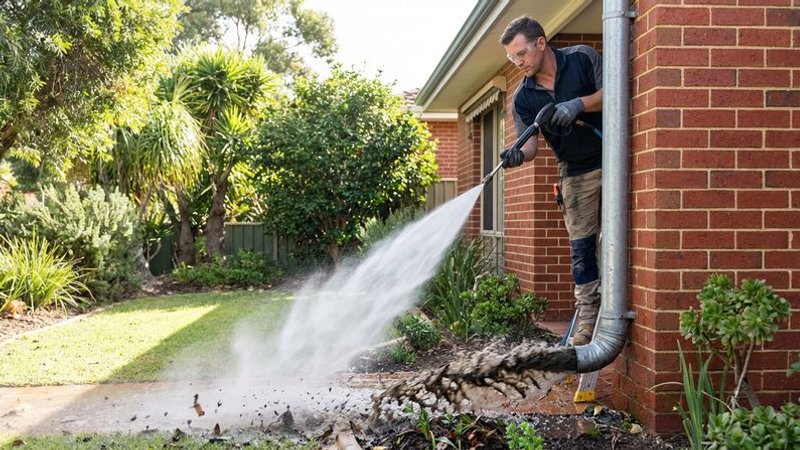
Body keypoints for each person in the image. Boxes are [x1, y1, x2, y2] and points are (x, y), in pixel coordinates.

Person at [499, 16, 603, 346]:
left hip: (618, 162)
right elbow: (529, 145)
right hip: (575, 174)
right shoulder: (523, 98)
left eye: (521, 53)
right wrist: (517, 156)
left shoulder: (583, 58)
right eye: (511, 58)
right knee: (582, 249)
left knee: (620, 239)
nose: (517, 62)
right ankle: (588, 322)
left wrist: (579, 104)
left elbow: (616, 91)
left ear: (541, 43)